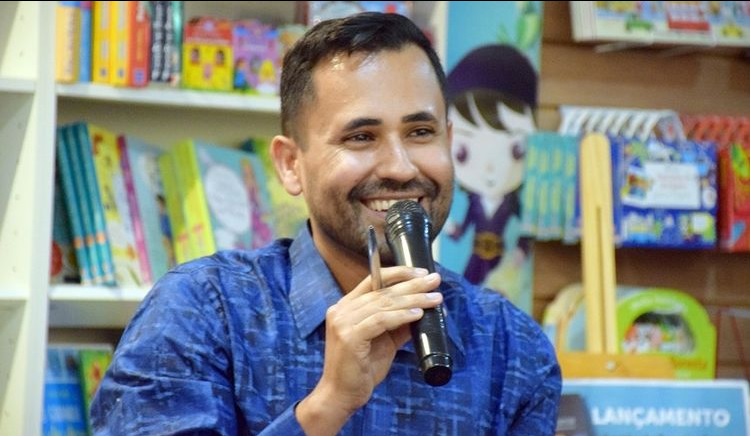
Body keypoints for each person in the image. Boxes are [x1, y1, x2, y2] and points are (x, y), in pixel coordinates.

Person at [90, 11, 561, 435]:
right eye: (361, 137)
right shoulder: (202, 311)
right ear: (290, 164)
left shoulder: (513, 348)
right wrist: (327, 406)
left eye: (421, 132)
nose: (400, 167)